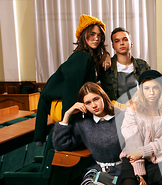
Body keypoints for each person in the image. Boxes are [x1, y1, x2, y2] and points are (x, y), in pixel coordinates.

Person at [34, 14, 111, 144]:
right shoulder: (81, 57)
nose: (96, 38)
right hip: (61, 105)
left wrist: (106, 55)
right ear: (83, 35)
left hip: (69, 104)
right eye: (92, 34)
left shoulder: (89, 56)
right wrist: (67, 126)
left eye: (99, 35)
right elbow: (71, 93)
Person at [100, 27, 151, 103]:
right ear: (113, 46)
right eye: (117, 41)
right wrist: (105, 54)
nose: (121, 43)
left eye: (125, 39)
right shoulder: (107, 67)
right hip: (115, 111)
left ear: (131, 43)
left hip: (140, 109)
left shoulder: (142, 65)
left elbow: (151, 88)